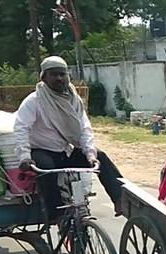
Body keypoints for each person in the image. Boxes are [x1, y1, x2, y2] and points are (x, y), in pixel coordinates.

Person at [16, 56, 124, 216]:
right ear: (44, 77)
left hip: (67, 150)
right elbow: (21, 129)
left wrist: (90, 154)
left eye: (62, 74)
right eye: (54, 74)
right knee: (47, 170)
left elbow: (84, 128)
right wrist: (24, 157)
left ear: (68, 76)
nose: (59, 78)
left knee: (101, 157)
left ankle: (120, 200)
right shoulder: (34, 101)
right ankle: (57, 215)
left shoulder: (74, 100)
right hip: (43, 151)